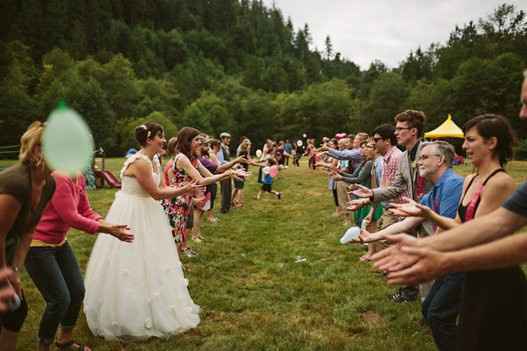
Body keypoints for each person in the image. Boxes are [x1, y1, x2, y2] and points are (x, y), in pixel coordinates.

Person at [372, 112, 524, 351]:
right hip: (470, 266)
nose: (464, 146)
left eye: (471, 140)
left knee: (482, 334)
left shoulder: (500, 183)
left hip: (492, 272)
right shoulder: (469, 180)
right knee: (446, 319)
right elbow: (458, 224)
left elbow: (480, 233)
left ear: (491, 143)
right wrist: (422, 240)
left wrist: (431, 247)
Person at [84, 122, 202, 340]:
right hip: (133, 212)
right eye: (161, 136)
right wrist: (185, 189)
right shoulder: (141, 162)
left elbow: (160, 189)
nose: (165, 140)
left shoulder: (153, 160)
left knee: (153, 258)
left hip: (146, 210)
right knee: (131, 260)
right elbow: (156, 194)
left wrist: (179, 189)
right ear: (149, 140)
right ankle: (127, 313)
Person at [361, 141, 464, 351]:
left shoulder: (452, 184)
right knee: (429, 310)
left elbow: (446, 230)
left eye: (425, 157)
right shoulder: (435, 189)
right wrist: (371, 237)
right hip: (447, 260)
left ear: (441, 160)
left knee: (438, 315)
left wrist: (417, 255)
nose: (418, 162)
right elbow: (410, 220)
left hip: (460, 261)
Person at [26, 171, 134, 351]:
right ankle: (43, 346)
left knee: (77, 292)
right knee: (59, 299)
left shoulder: (78, 176)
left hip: (59, 242)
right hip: (37, 245)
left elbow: (85, 211)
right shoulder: (59, 178)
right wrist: (108, 231)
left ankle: (64, 341)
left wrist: (108, 224)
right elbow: (71, 217)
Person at [349, 110, 430, 303]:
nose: (396, 133)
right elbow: (396, 186)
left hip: (429, 214)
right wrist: (371, 195)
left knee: (426, 256)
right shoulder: (404, 157)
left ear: (413, 131)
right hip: (410, 213)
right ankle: (413, 292)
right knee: (408, 251)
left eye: (400, 129)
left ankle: (432, 303)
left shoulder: (428, 152)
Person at [0, 122, 56, 351]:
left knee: (15, 312)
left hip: (8, 249)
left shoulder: (48, 183)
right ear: (37, 151)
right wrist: (3, 274)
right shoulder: (17, 183)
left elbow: (28, 231)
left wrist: (14, 270)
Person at [218, 132, 233, 213]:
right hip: (223, 171)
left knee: (229, 188)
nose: (229, 140)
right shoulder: (220, 148)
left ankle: (228, 206)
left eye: (229, 138)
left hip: (228, 169)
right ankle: (223, 208)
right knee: (225, 190)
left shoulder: (226, 147)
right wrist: (232, 164)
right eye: (227, 138)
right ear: (223, 139)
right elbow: (221, 161)